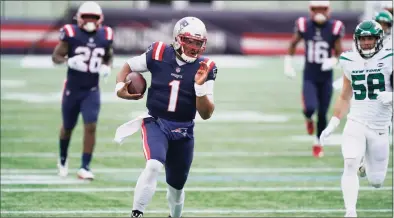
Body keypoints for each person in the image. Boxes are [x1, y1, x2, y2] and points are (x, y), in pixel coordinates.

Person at [113, 17, 217, 218]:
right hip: (156, 122)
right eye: (189, 41)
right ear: (178, 39)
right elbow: (128, 65)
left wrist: (200, 86)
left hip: (184, 129)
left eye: (198, 42)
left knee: (176, 187)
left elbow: (206, 114)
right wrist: (119, 88)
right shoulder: (158, 52)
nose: (194, 47)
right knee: (153, 165)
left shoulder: (206, 67)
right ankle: (136, 213)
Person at [320, 20, 393, 217]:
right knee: (349, 162)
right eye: (363, 38)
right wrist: (333, 122)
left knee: (376, 181)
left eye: (370, 38)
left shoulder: (390, 58)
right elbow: (345, 95)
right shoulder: (348, 59)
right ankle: (350, 212)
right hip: (356, 121)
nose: (367, 42)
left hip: (380, 126)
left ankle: (365, 164)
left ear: (378, 39)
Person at [52, 1, 114, 180]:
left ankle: (85, 166)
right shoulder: (71, 33)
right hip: (72, 89)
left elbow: (108, 55)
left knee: (91, 126)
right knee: (68, 127)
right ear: (78, 18)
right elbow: (56, 56)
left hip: (92, 89)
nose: (89, 21)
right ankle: (63, 160)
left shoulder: (106, 35)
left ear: (100, 19)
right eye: (86, 17)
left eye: (93, 17)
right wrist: (67, 61)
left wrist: (107, 66)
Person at [284, 0, 344, 157]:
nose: (319, 12)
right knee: (310, 108)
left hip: (326, 77)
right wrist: (288, 64)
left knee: (323, 112)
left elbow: (338, 51)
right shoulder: (304, 25)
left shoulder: (334, 27)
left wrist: (333, 60)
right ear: (310, 10)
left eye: (322, 9)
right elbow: (293, 44)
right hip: (310, 75)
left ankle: (318, 142)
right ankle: (308, 118)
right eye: (316, 9)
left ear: (328, 10)